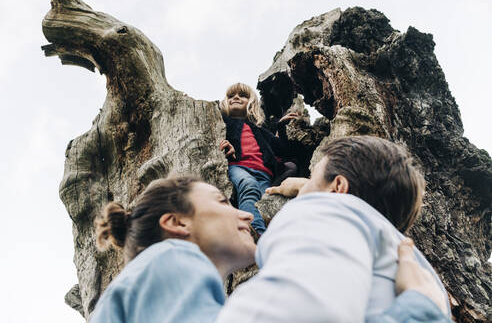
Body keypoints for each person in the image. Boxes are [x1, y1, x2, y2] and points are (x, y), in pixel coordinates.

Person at [89, 175, 451, 322]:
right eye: (221, 200)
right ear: (178, 223)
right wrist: (421, 306)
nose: (246, 214)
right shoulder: (170, 259)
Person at [216, 135, 452, 322]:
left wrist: (421, 309)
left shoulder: (330, 214)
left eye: (313, 175)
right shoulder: (421, 279)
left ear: (337, 186)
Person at [219, 82, 299, 234]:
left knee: (264, 203)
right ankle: (255, 233)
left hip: (264, 173)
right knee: (249, 187)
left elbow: (281, 148)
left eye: (242, 95)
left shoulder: (259, 129)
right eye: (231, 96)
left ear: (251, 103)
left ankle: (268, 235)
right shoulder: (224, 124)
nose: (236, 97)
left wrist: (281, 126)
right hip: (239, 166)